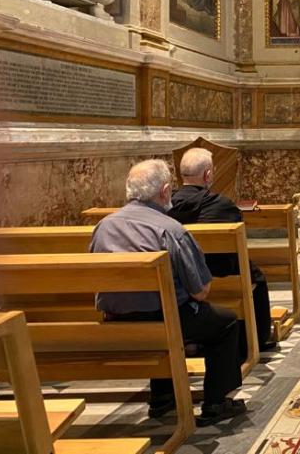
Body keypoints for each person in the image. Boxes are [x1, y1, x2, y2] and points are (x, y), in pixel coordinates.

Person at [89, 160, 246, 426]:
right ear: (164, 191)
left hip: (116, 320)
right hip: (166, 321)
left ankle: (162, 398)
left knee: (157, 310)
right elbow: (201, 291)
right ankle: (216, 403)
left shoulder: (104, 226)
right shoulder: (170, 229)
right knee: (226, 322)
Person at [169, 147, 276, 352]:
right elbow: (236, 246)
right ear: (208, 174)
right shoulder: (222, 205)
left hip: (179, 281)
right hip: (217, 277)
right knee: (256, 276)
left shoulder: (166, 206)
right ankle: (258, 337)